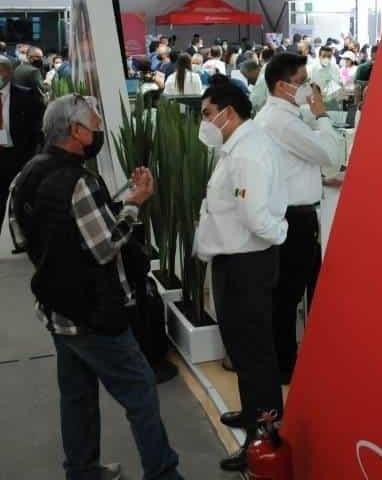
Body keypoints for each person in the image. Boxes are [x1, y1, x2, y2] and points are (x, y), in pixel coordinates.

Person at [9, 94, 181, 480]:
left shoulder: (26, 174)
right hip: (95, 312)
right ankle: (163, 473)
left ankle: (82, 470)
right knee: (140, 390)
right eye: (95, 126)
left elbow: (22, 236)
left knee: (77, 395)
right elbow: (105, 247)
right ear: (75, 131)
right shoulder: (79, 182)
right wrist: (134, 204)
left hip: (57, 310)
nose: (99, 132)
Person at [195, 77, 287, 472]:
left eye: (207, 114)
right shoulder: (236, 146)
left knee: (254, 355)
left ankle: (263, 435)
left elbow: (255, 217)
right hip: (234, 262)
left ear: (228, 113)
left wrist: (279, 233)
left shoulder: (248, 153)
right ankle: (253, 414)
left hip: (246, 265)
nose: (204, 122)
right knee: (244, 350)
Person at [255, 54, 341, 385]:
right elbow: (332, 155)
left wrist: (317, 177)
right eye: (302, 81)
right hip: (295, 219)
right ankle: (286, 365)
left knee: (290, 294)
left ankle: (289, 361)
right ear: (282, 86)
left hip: (289, 213)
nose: (309, 88)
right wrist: (322, 115)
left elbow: (292, 164)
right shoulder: (283, 122)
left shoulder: (277, 118)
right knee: (289, 296)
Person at [0, 56, 44, 238]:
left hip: (19, 158)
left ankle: (27, 238)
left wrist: (33, 156)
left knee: (23, 203)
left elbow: (37, 128)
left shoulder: (26, 96)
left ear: (9, 72)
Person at [249, 47, 274, 113]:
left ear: (262, 59)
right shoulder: (281, 72)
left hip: (264, 112)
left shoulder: (264, 77)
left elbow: (254, 101)